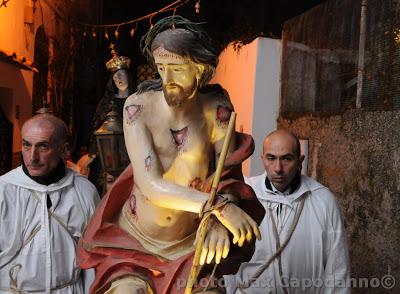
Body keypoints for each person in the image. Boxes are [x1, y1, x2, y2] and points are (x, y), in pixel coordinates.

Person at [78, 16, 265, 294]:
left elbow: (226, 176)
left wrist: (214, 220)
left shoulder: (217, 110)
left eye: (177, 69)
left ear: (200, 70)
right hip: (135, 244)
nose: (167, 80)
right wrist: (219, 209)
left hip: (190, 245)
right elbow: (150, 185)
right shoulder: (137, 108)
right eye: (161, 68)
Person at [224, 129, 350, 293]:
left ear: (300, 161)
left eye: (287, 159)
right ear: (262, 159)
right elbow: (226, 264)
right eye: (271, 158)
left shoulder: (324, 201)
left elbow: (337, 270)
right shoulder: (243, 195)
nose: (278, 168)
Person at [0, 114, 100, 293]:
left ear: (64, 150)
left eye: (43, 146)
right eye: (26, 145)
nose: (32, 157)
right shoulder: (4, 190)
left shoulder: (84, 191)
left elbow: (94, 259)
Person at [88, 45, 136, 193]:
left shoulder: (138, 99)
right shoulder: (106, 103)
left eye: (121, 75)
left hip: (133, 150)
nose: (119, 79)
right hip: (110, 153)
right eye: (115, 76)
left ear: (128, 75)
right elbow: (97, 128)